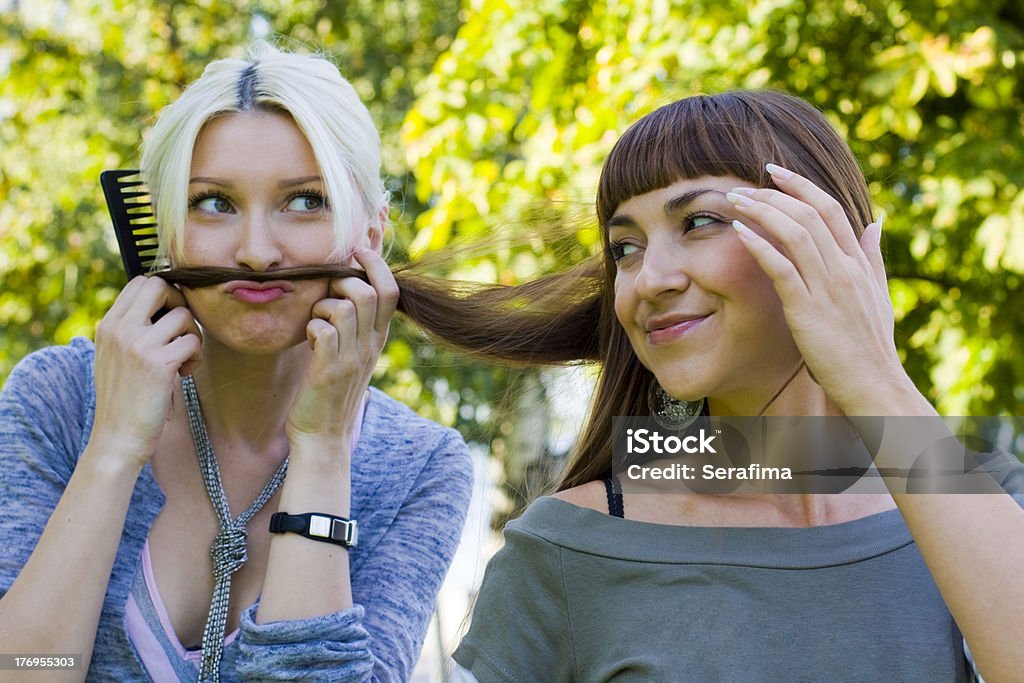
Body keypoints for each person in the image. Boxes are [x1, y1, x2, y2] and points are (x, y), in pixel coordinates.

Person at [449, 91, 1024, 682]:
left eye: (698, 222)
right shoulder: (566, 547)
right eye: (626, 248)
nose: (651, 280)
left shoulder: (991, 500)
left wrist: (874, 377)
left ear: (822, 236)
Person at [0, 42, 472, 682]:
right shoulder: (55, 400)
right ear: (163, 231)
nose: (255, 251)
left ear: (372, 236)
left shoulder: (421, 467)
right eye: (213, 203)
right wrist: (112, 448)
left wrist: (324, 448)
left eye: (305, 200)